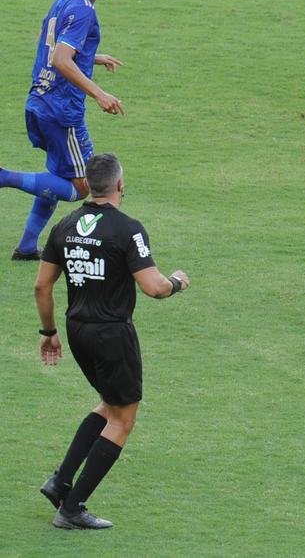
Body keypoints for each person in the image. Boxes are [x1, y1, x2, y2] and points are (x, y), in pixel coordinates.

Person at [34, 153, 191, 529]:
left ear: (87, 185)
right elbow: (154, 288)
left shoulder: (65, 225)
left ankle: (60, 480)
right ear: (120, 185)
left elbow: (42, 285)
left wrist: (49, 333)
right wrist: (177, 282)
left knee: (108, 404)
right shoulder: (127, 229)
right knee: (124, 417)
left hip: (76, 331)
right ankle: (72, 508)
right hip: (112, 334)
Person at [1, 0, 124, 262]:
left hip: (40, 99)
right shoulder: (84, 10)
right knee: (82, 186)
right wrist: (100, 94)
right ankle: (3, 177)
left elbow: (53, 45)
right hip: (62, 110)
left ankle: (27, 246)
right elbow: (60, 58)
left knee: (56, 176)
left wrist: (89, 58)